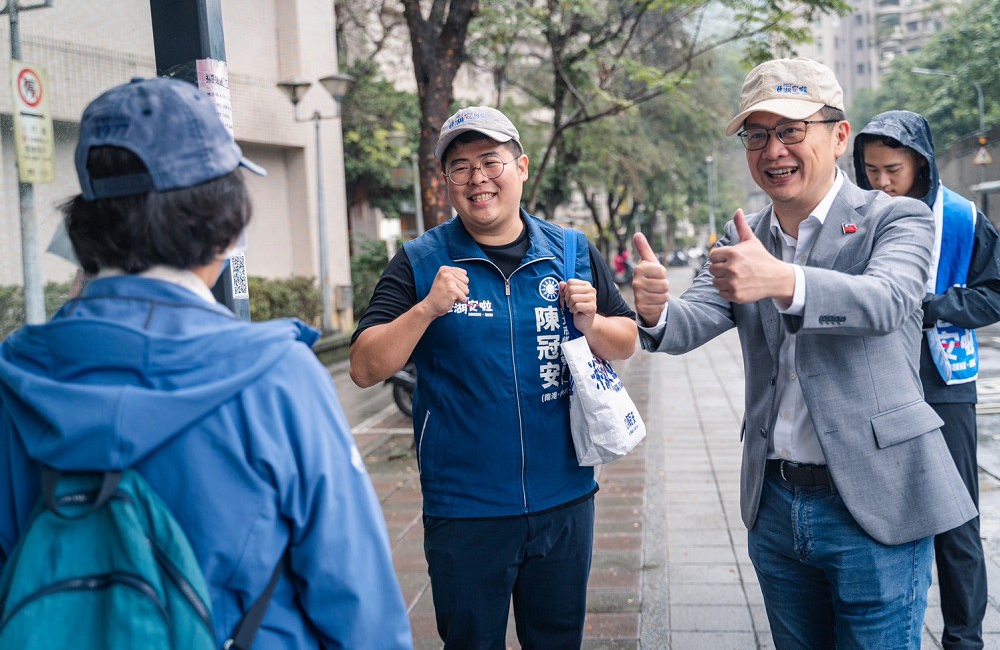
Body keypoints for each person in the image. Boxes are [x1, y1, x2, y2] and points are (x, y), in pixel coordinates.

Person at [0, 77, 412, 650]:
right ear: (225, 225)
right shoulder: (278, 380)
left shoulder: (13, 380)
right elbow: (360, 606)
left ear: (86, 224)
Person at [631, 57, 977, 649]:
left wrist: (784, 281)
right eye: (757, 135)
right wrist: (654, 307)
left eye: (792, 130)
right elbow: (691, 321)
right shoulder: (744, 235)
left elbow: (888, 301)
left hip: (875, 502)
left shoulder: (897, 217)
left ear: (839, 136)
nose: (773, 150)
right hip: (776, 503)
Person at [349, 105, 637, 649]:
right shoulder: (419, 261)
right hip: (466, 509)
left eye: (491, 161)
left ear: (522, 167)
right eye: (460, 167)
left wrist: (591, 321)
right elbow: (364, 367)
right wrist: (425, 309)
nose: (478, 178)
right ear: (447, 181)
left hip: (565, 499)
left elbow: (626, 340)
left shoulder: (572, 252)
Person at [854, 110, 1000, 650]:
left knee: (958, 521)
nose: (881, 182)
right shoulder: (858, 214)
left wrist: (935, 308)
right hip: (874, 383)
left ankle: (964, 640)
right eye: (870, 170)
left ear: (921, 161)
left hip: (943, 382)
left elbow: (996, 291)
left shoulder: (960, 218)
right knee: (883, 517)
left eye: (892, 169)